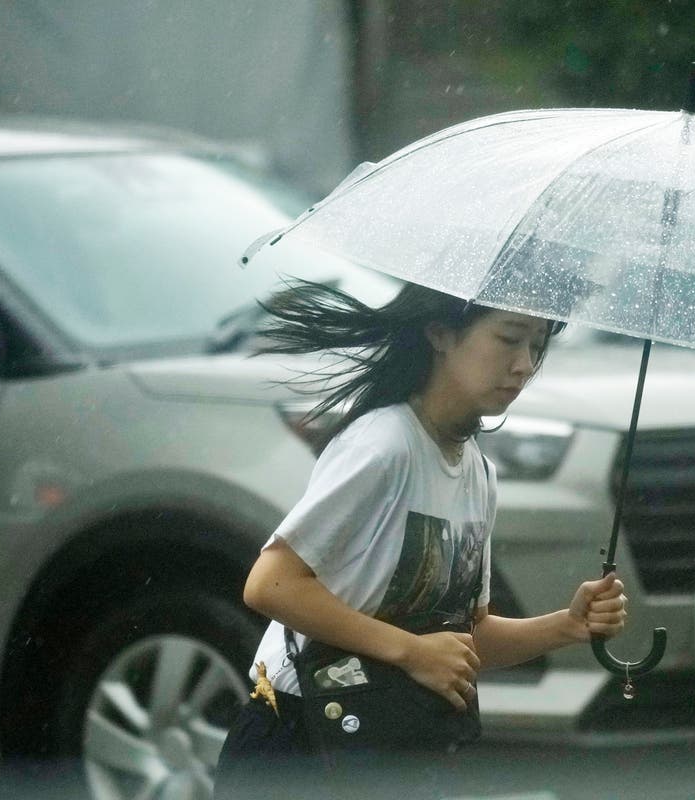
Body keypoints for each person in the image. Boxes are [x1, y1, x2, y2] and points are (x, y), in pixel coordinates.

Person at [213, 280, 628, 799]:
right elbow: (271, 585)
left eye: (538, 346)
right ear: (441, 334)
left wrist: (567, 626)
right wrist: (410, 652)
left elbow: (461, 641)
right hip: (301, 739)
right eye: (509, 338)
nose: (524, 364)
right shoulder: (384, 445)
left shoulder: (478, 473)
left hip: (390, 746)